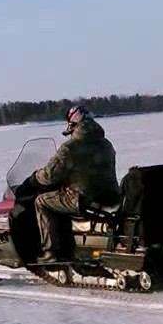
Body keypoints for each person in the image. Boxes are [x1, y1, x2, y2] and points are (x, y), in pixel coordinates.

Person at [31, 105, 121, 263]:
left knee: (41, 201)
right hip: (109, 194)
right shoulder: (106, 144)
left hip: (82, 197)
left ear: (73, 126)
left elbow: (50, 175)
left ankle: (51, 252)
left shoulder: (71, 147)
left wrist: (34, 178)